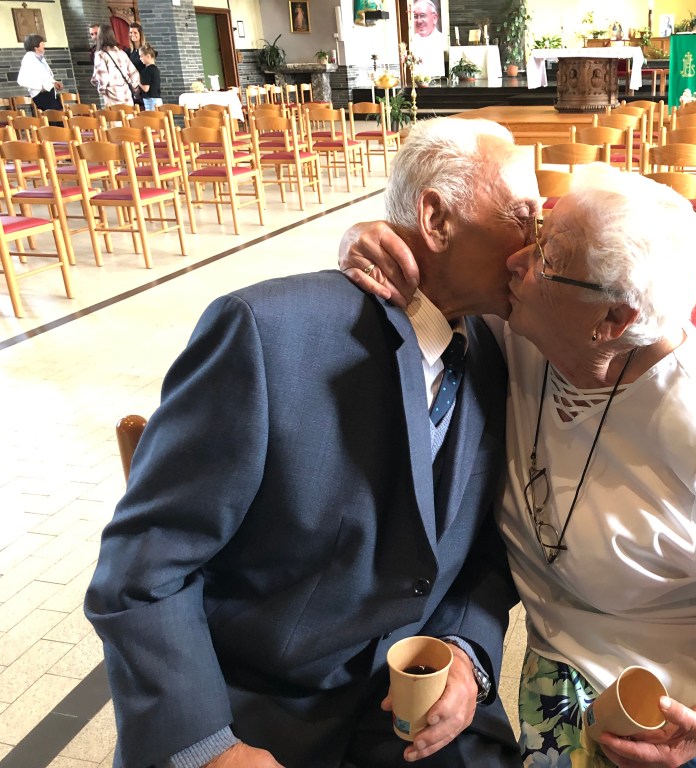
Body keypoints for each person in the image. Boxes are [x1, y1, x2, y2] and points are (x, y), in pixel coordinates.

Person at [339, 167, 696, 767]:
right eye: (539, 233)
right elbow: (432, 277)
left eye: (547, 256)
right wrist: (366, 240)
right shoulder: (530, 327)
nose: (516, 260)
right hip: (575, 656)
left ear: (613, 321)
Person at [85, 118, 541, 768]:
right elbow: (141, 568)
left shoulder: (501, 349)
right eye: (522, 217)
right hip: (259, 706)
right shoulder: (268, 335)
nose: (535, 242)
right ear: (436, 219)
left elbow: (487, 550)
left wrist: (468, 655)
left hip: (415, 696)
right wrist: (207, 747)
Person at [91, 23, 139, 107]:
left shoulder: (100, 55)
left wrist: (102, 90)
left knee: (113, 116)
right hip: (126, 96)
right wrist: (134, 87)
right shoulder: (121, 53)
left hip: (112, 97)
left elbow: (102, 77)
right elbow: (134, 73)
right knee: (129, 115)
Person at [17, 34, 62, 114]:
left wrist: (54, 82)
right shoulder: (29, 58)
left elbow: (44, 75)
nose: (44, 45)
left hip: (49, 93)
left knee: (58, 115)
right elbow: (21, 80)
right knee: (55, 117)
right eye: (42, 43)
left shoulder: (39, 58)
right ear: (36, 47)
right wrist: (41, 87)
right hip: (42, 95)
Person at [410, 0, 445, 78]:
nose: (419, 21)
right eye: (415, 16)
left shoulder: (442, 39)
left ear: (434, 18)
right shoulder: (411, 41)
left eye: (423, 16)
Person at [125, 22, 146, 106]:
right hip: (133, 85)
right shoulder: (128, 51)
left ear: (140, 34)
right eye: (131, 32)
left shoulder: (146, 49)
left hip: (143, 83)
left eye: (135, 32)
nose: (132, 35)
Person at [138, 45, 161, 111]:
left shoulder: (146, 71)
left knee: (150, 117)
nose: (140, 58)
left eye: (141, 56)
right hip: (158, 99)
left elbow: (146, 89)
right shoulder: (156, 69)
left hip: (150, 100)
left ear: (148, 56)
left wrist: (138, 82)